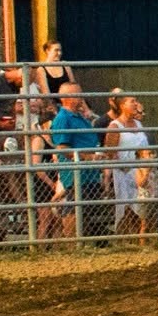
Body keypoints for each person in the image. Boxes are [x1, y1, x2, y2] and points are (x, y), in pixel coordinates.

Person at [50, 83, 106, 243]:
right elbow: (63, 148)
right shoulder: (63, 118)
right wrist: (88, 157)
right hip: (77, 174)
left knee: (88, 211)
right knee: (75, 210)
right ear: (67, 98)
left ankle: (88, 242)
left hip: (89, 174)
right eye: (77, 95)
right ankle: (74, 243)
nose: (81, 98)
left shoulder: (80, 117)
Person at [103, 94, 148, 239]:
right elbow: (110, 152)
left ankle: (143, 240)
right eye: (132, 101)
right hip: (124, 172)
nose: (136, 104)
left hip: (141, 172)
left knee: (144, 209)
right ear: (122, 105)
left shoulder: (138, 124)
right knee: (125, 208)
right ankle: (123, 238)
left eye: (136, 101)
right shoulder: (115, 126)